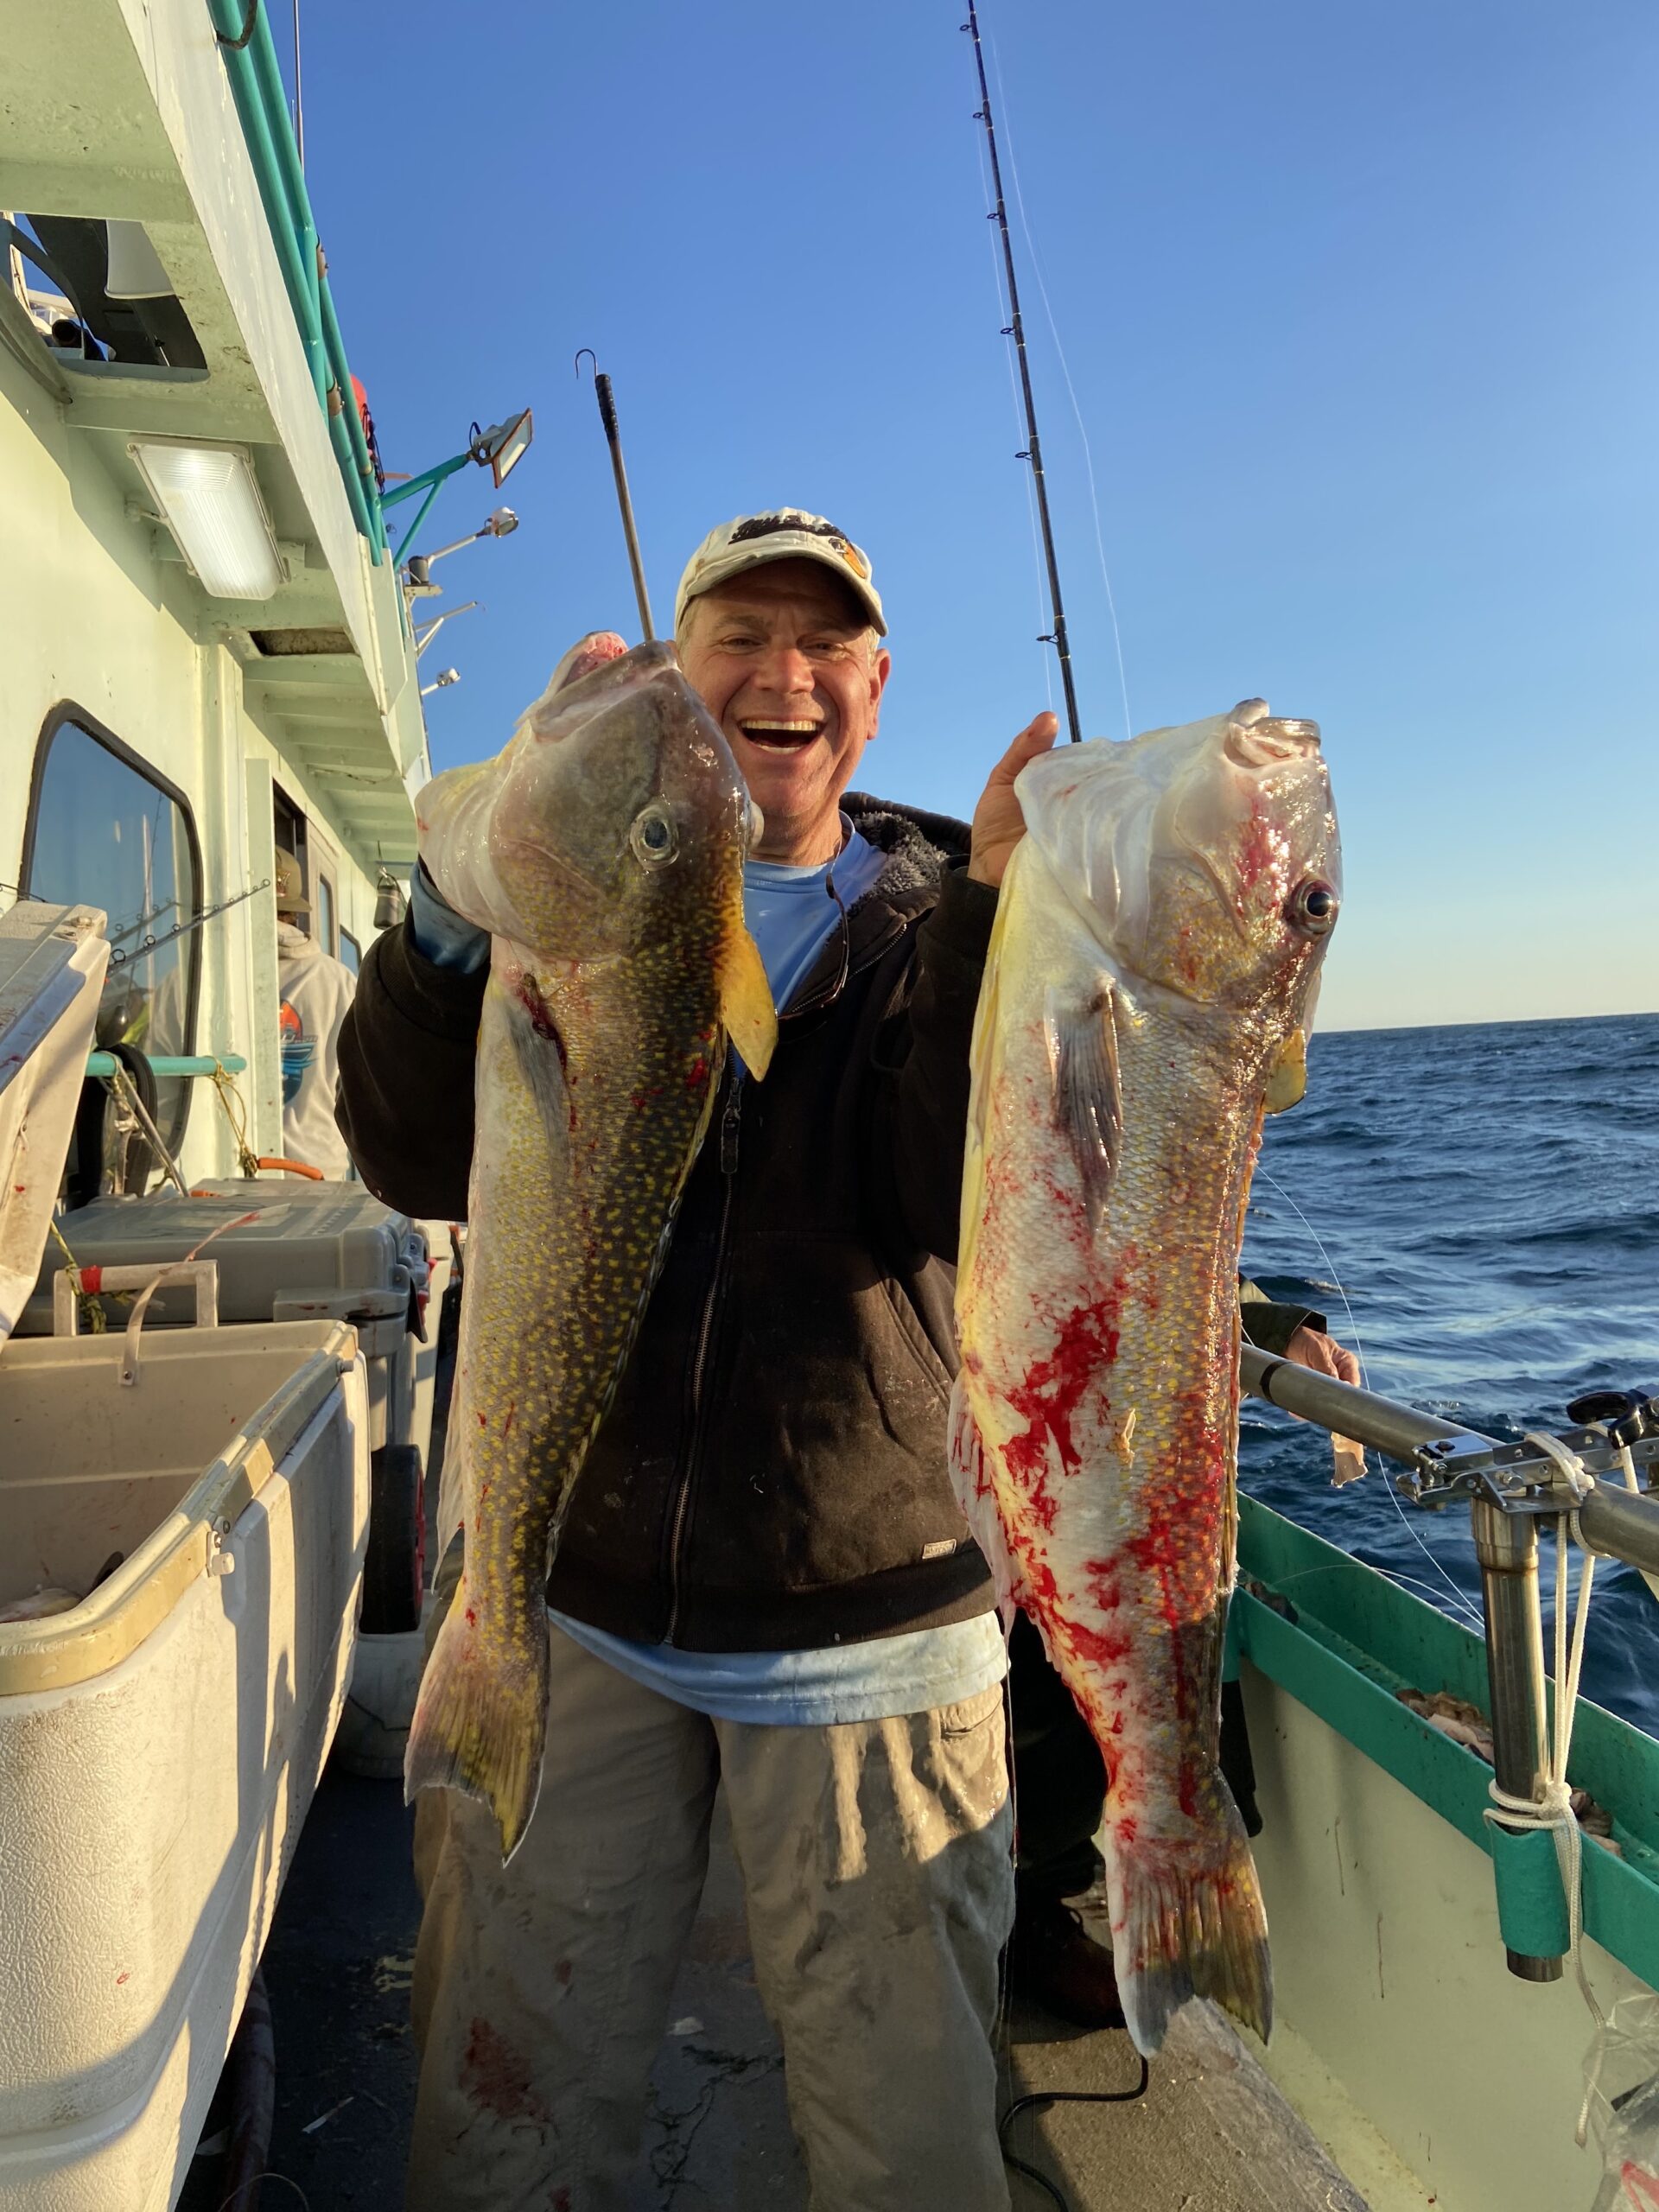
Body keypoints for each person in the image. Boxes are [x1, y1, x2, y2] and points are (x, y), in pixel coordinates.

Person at [340, 510, 1045, 2212]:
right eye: (739, 635)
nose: (781, 674)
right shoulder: (545, 912)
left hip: (875, 1627)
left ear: (876, 687)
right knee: (503, 2116)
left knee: (911, 2145)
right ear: (687, 657)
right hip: (572, 1601)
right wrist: (450, 916)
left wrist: (994, 916)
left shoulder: (946, 916)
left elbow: (957, 1193)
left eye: (825, 643)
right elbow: (411, 1156)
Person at [274, 849, 356, 1180]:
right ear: (294, 913)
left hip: (221, 1179)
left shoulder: (194, 976)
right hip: (318, 1174)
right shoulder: (341, 982)